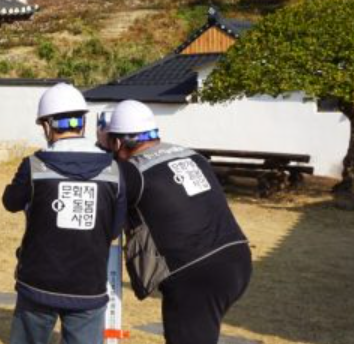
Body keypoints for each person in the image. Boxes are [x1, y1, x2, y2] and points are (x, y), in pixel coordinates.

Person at [103, 100, 251, 344]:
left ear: (118, 142)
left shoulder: (131, 171)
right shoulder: (192, 155)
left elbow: (108, 216)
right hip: (237, 258)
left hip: (196, 275)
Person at [2, 83, 124, 344]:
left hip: (37, 284)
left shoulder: (33, 166)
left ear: (47, 125)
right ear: (82, 122)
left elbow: (10, 202)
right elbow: (113, 230)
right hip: (88, 288)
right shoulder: (114, 170)